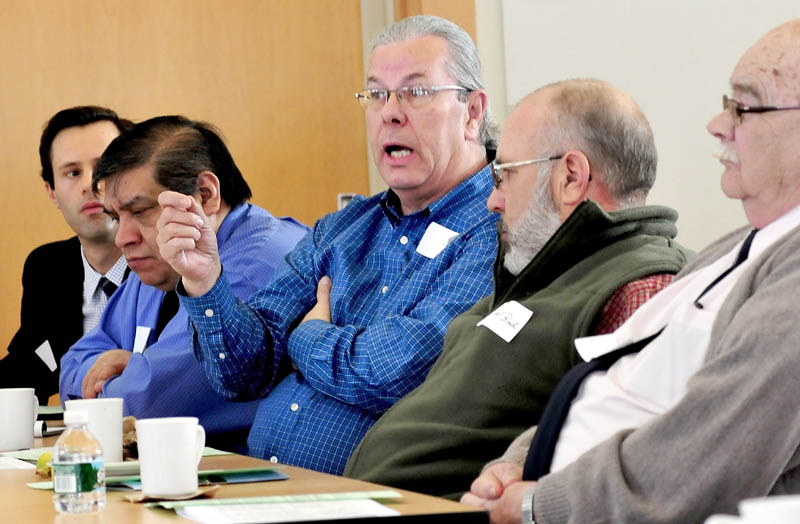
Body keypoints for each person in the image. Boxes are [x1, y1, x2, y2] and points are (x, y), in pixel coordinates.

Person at [462, 19, 800, 524]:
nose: (718, 123)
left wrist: (537, 503)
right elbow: (622, 381)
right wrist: (520, 464)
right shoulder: (747, 242)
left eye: (744, 107)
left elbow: (702, 460)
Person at [155, 15, 500, 473]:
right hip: (268, 487)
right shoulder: (341, 229)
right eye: (376, 94)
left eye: (415, 92)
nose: (390, 112)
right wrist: (205, 282)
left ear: (472, 112)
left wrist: (309, 338)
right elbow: (242, 374)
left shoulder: (497, 226)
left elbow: (405, 370)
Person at [344, 79, 691, 497]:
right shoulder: (542, 268)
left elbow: (622, 460)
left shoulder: (640, 288)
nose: (492, 199)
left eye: (503, 174)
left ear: (571, 178)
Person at [59, 116, 309, 451]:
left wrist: (127, 373)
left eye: (142, 211)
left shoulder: (258, 264)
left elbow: (147, 409)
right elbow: (73, 363)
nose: (122, 238)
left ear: (205, 195)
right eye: (117, 218)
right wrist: (130, 374)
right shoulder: (161, 260)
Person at [0, 106, 132, 402]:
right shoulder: (47, 268)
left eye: (104, 166)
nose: (90, 184)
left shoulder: (166, 264)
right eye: (72, 173)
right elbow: (29, 364)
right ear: (52, 191)